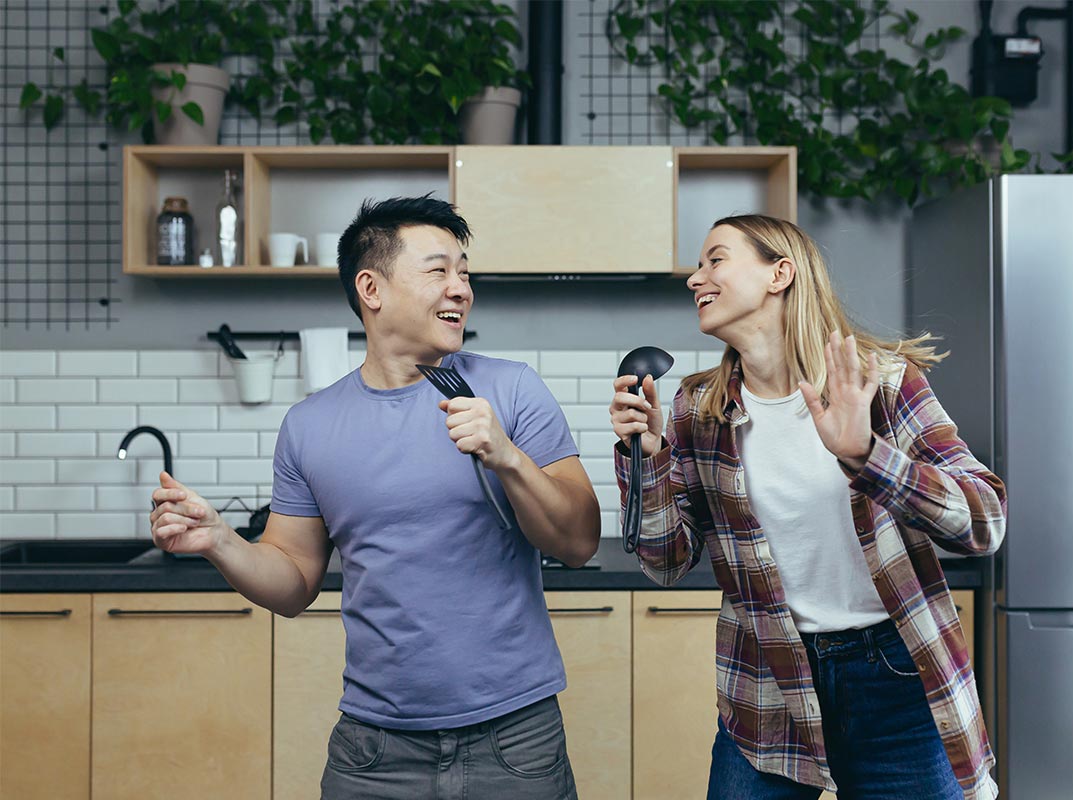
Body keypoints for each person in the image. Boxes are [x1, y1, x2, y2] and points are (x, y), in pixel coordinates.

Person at [151, 195, 600, 799]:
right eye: (439, 270)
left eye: (464, 272)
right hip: (375, 751)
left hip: (514, 738)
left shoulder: (511, 390)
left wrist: (507, 457)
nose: (461, 288)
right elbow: (293, 580)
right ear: (372, 288)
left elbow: (578, 541)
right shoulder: (309, 426)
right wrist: (221, 542)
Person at [609, 214, 1006, 799]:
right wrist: (644, 455)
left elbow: (985, 521)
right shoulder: (698, 408)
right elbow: (664, 561)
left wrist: (868, 454)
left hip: (897, 673)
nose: (696, 279)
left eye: (714, 259)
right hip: (768, 677)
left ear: (780, 273)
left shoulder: (882, 384)